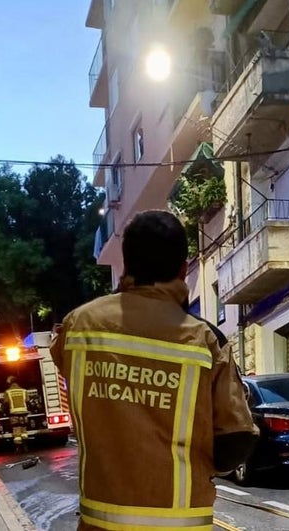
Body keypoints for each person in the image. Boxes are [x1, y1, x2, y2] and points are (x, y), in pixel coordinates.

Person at [50, 210, 258, 530]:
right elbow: (237, 439)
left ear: (126, 264)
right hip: (181, 523)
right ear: (182, 269)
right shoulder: (204, 339)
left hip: (100, 523)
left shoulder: (78, 326)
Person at [4, 376, 29, 448]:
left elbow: (5, 403)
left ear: (10, 383)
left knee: (16, 430)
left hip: (14, 413)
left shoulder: (7, 392)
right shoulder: (24, 391)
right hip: (24, 413)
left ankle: (18, 447)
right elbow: (27, 401)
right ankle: (25, 445)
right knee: (24, 429)